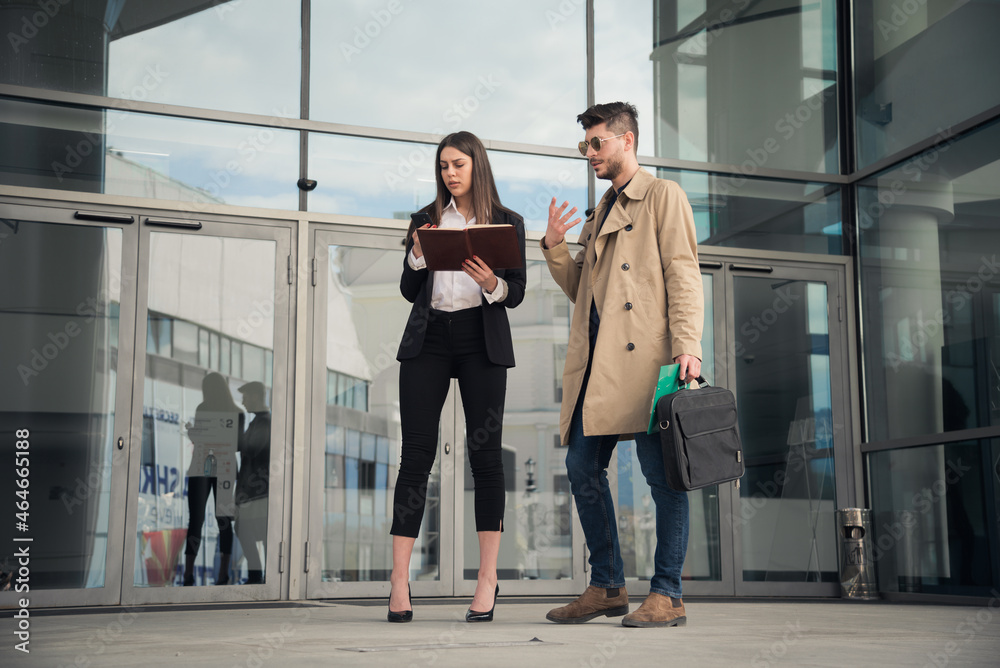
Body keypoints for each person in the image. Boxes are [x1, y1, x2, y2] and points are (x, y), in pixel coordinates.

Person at [541, 102, 704, 627]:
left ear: (626, 140)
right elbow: (583, 294)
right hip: (599, 364)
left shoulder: (662, 196)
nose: (589, 153)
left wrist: (688, 346)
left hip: (653, 362)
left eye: (597, 143)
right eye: (584, 145)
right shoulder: (599, 214)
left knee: (664, 479)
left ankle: (668, 593)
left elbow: (683, 273)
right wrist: (555, 249)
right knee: (581, 468)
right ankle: (608, 585)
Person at [389, 131, 526, 623]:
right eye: (443, 165)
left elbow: (518, 293)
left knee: (485, 458)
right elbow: (409, 289)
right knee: (416, 456)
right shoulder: (423, 220)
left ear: (477, 167)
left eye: (458, 165)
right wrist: (418, 253)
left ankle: (487, 579)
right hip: (429, 340)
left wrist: (492, 282)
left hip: (479, 340)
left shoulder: (508, 222)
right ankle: (399, 580)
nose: (450, 173)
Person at [183, 372, 243, 586]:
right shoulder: (237, 412)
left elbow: (234, 443)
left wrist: (197, 433)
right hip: (222, 466)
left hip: (204, 464)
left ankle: (188, 574)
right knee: (223, 520)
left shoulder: (204, 409)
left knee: (197, 520)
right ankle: (222, 574)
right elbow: (238, 444)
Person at [235, 381, 271, 585]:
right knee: (246, 528)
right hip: (253, 491)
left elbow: (251, 450)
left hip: (259, 491)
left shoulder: (264, 422)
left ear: (256, 396)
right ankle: (258, 574)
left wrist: (237, 438)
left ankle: (259, 575)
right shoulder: (258, 421)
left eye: (245, 397)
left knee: (249, 529)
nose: (243, 401)